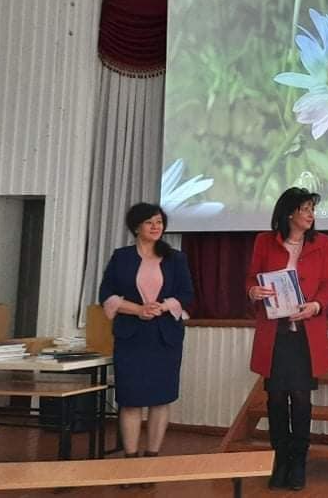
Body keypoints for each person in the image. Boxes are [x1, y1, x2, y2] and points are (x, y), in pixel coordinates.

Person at [246, 187, 328, 491]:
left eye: (312, 209)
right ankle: (280, 460)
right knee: (275, 398)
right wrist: (253, 291)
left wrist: (316, 305)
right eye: (305, 209)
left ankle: (298, 461)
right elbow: (251, 278)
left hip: (305, 334)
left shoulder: (322, 242)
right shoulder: (264, 241)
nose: (311, 215)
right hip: (275, 333)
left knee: (300, 398)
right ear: (289, 214)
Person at [98, 202, 193, 486]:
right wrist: (137, 309)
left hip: (164, 336)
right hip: (132, 336)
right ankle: (130, 463)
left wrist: (163, 306)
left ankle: (151, 461)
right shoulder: (122, 257)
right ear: (136, 226)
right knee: (130, 399)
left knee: (160, 399)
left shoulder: (175, 258)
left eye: (160, 222)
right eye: (150, 222)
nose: (156, 227)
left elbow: (187, 294)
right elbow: (106, 294)